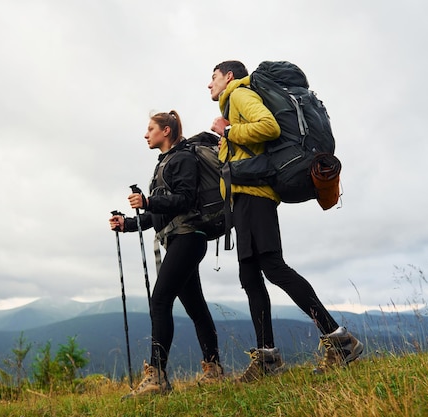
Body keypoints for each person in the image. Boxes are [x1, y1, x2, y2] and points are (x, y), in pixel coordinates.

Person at [207, 60, 363, 381]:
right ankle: (267, 359)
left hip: (255, 198)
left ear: (229, 76)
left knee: (274, 268)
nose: (209, 85)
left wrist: (230, 131)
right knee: (251, 278)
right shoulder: (233, 102)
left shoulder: (240, 95)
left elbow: (269, 127)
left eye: (213, 77)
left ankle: (340, 341)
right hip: (245, 198)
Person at [109, 110, 224, 398]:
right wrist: (129, 224)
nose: (146, 134)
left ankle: (157, 377)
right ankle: (214, 370)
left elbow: (185, 200)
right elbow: (159, 214)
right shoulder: (166, 163)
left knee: (160, 301)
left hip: (188, 237)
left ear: (167, 131)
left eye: (151, 128)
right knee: (196, 308)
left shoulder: (183, 158)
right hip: (180, 238)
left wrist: (148, 200)